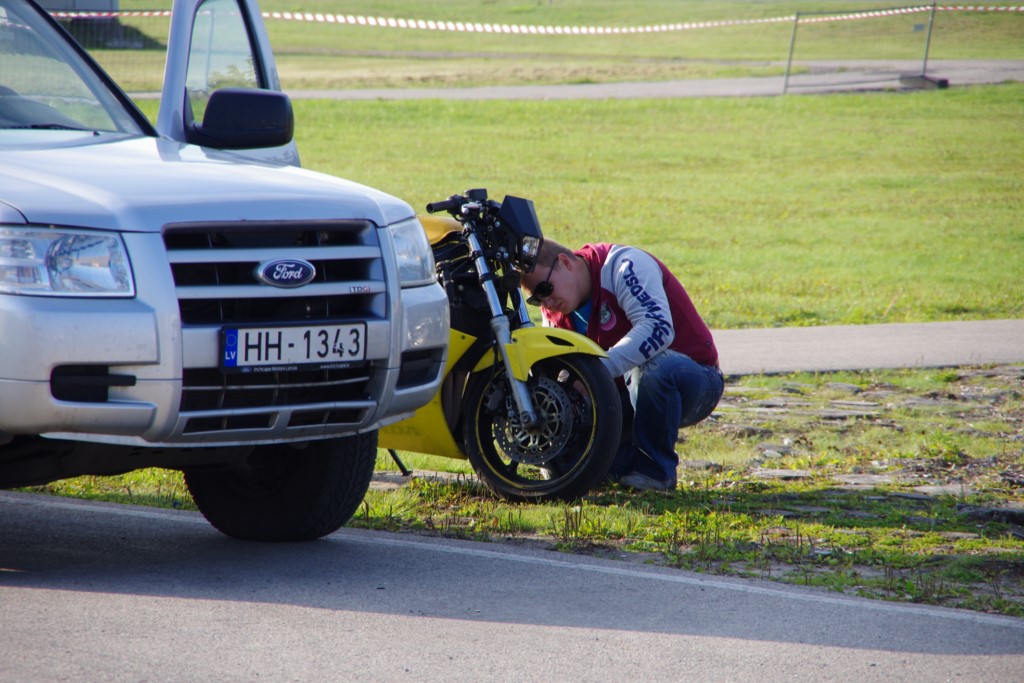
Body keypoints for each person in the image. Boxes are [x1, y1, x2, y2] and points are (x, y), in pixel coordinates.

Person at [520, 239, 723, 492]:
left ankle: (656, 472)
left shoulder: (625, 266)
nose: (546, 302)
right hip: (621, 394)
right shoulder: (554, 310)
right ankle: (629, 467)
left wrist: (595, 374)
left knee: (653, 367)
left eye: (546, 288)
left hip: (694, 379)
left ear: (565, 262)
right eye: (536, 299)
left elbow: (658, 328)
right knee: (568, 464)